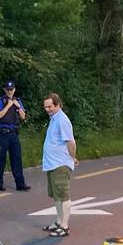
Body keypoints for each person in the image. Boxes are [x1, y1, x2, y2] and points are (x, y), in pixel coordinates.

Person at [41, 93, 77, 237]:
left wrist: (72, 158)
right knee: (57, 195)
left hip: (60, 164)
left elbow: (70, 142)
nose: (47, 109)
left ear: (58, 105)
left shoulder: (62, 120)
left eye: (50, 106)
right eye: (45, 107)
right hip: (52, 164)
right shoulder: (54, 119)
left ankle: (65, 226)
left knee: (63, 195)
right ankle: (58, 222)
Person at [0, 80, 30, 192]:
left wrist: (18, 107)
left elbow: (23, 117)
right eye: (8, 89)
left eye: (12, 89)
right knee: (1, 158)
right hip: (2, 133)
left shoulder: (17, 101)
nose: (10, 91)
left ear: (14, 89)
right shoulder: (0, 101)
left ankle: (20, 183)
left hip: (13, 133)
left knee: (17, 158)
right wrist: (8, 105)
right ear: (5, 90)